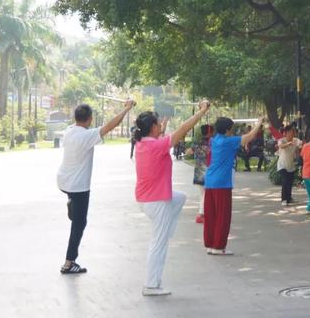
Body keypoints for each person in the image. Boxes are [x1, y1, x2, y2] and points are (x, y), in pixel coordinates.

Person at [133, 100, 210, 297]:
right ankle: (151, 285)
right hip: (156, 201)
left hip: (148, 199)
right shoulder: (157, 146)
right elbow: (184, 128)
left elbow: (161, 137)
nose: (161, 127)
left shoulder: (142, 143)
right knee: (158, 244)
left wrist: (163, 125)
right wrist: (202, 111)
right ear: (152, 127)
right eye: (158, 124)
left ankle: (166, 232)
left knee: (180, 197)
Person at [57, 100, 135, 274]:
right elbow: (110, 125)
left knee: (76, 214)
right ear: (90, 118)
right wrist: (127, 109)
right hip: (78, 187)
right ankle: (69, 263)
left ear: (75, 118)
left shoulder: (69, 131)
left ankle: (72, 204)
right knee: (79, 223)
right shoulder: (86, 136)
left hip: (63, 182)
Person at [204, 116, 264, 255]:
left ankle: (210, 244)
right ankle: (218, 246)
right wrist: (259, 123)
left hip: (210, 181)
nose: (233, 131)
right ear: (227, 130)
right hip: (222, 183)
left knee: (211, 215)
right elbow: (249, 137)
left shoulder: (213, 140)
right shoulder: (228, 141)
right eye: (232, 128)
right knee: (222, 215)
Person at [188, 124, 214, 224]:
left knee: (201, 193)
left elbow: (189, 152)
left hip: (198, 169)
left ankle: (203, 212)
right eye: (212, 132)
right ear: (209, 132)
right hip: (207, 170)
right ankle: (201, 214)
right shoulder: (211, 143)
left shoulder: (197, 143)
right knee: (205, 194)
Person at [277, 125, 303, 206]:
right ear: (286, 133)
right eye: (291, 132)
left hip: (291, 166)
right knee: (285, 181)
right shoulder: (282, 140)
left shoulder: (296, 140)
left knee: (290, 182)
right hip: (282, 165)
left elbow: (301, 145)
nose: (293, 134)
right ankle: (283, 199)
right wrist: (288, 144)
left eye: (293, 132)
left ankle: (289, 198)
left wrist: (300, 147)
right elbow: (281, 146)